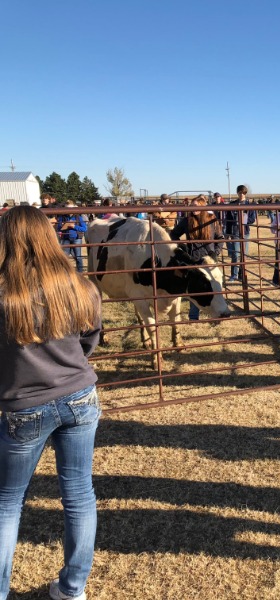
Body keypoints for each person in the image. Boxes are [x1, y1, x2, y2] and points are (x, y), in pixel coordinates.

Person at [0, 206, 103, 600]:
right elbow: (89, 340)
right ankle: (72, 588)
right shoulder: (79, 285)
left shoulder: (5, 293)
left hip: (24, 405)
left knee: (7, 502)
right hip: (80, 396)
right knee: (78, 492)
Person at [170, 196, 224, 320]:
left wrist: (216, 252)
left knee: (214, 286)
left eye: (196, 206)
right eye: (192, 205)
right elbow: (174, 234)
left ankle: (217, 312)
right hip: (193, 258)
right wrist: (182, 246)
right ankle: (194, 316)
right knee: (196, 287)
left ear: (202, 207)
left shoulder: (212, 220)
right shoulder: (187, 220)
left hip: (209, 258)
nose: (193, 208)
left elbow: (220, 238)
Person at [223, 185, 257, 282]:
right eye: (240, 192)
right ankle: (234, 275)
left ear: (245, 193)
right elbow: (228, 220)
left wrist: (245, 220)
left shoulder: (249, 205)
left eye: (243, 192)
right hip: (235, 232)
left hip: (245, 232)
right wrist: (228, 233)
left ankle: (242, 274)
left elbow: (252, 219)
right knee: (236, 254)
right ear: (237, 193)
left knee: (244, 255)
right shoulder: (232, 204)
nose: (242, 194)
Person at [56, 201, 88, 273]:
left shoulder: (78, 217)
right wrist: (63, 226)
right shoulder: (62, 217)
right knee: (65, 256)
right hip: (66, 238)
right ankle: (65, 272)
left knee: (78, 256)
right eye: (67, 208)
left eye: (71, 208)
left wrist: (74, 226)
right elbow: (58, 227)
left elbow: (85, 228)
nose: (69, 210)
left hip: (76, 238)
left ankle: (80, 272)